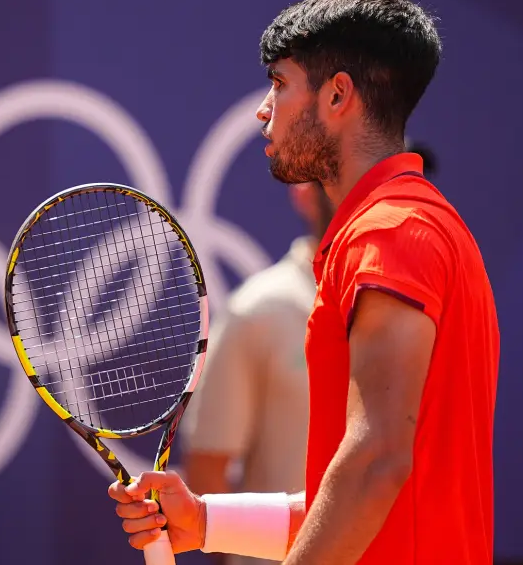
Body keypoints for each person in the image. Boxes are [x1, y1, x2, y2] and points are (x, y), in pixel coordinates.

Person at [108, 0, 499, 564]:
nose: (263, 110)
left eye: (279, 83)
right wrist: (206, 520)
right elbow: (348, 509)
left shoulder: (387, 233)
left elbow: (374, 464)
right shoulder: (406, 227)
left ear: (338, 95)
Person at [179, 143, 438, 565]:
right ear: (304, 191)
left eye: (393, 181)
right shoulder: (258, 310)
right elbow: (209, 465)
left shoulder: (424, 304)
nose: (379, 197)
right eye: (361, 177)